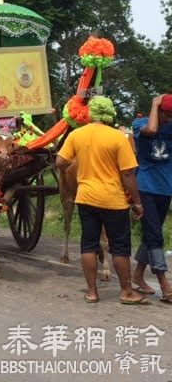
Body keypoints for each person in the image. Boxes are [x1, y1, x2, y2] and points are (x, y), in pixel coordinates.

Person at [56, 96, 147, 305]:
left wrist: (77, 171)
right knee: (120, 247)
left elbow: (60, 161)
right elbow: (127, 175)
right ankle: (126, 291)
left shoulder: (77, 135)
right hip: (113, 200)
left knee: (88, 245)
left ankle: (92, 292)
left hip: (86, 197)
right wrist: (137, 202)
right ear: (110, 113)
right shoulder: (118, 138)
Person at [131, 94, 172, 303]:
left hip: (166, 189)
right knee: (156, 235)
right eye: (167, 114)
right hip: (146, 187)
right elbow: (152, 130)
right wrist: (155, 105)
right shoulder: (140, 124)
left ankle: (137, 275)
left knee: (151, 234)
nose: (169, 118)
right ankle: (165, 284)